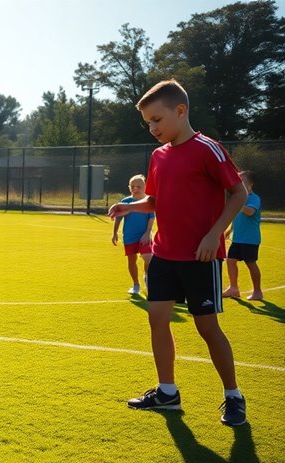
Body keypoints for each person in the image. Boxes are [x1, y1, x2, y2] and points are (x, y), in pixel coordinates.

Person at [108, 79, 249, 427]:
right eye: (148, 123)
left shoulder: (208, 149)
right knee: (157, 320)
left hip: (201, 258)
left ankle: (233, 396)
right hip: (164, 256)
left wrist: (214, 235)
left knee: (207, 327)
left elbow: (238, 194)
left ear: (180, 110)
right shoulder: (158, 156)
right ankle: (167, 392)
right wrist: (129, 208)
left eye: (157, 119)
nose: (153, 128)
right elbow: (155, 200)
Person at [222, 170, 262, 301]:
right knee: (230, 261)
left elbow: (250, 212)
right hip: (238, 238)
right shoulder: (240, 199)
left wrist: (239, 204)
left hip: (250, 239)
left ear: (250, 184)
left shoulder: (254, 198)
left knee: (251, 263)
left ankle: (257, 292)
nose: (238, 184)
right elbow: (237, 218)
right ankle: (234, 288)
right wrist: (229, 230)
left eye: (242, 181)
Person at [111, 174, 154, 295]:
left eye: (139, 186)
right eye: (133, 186)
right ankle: (136, 285)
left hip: (144, 237)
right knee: (131, 261)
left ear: (145, 186)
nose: (135, 189)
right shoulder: (125, 202)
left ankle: (147, 276)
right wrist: (114, 233)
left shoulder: (149, 201)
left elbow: (151, 219)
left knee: (148, 259)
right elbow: (118, 219)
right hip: (129, 237)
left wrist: (147, 233)